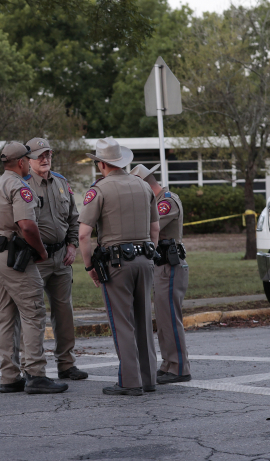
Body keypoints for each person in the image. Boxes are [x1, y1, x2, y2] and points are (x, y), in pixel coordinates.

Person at [0, 141, 69, 395]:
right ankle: (36, 374)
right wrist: (40, 251)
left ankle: (9, 376)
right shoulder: (21, 187)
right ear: (21, 162)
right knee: (33, 313)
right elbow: (27, 225)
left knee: (6, 316)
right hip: (15, 258)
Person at [78, 137, 160, 396]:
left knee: (123, 322)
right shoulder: (143, 185)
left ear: (102, 164)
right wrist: (150, 254)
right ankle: (149, 379)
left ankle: (129, 381)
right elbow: (155, 228)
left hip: (116, 264)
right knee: (144, 320)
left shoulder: (99, 190)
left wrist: (89, 265)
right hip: (145, 259)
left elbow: (83, 234)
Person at [15, 137, 88, 381]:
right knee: (33, 313)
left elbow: (74, 218)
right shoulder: (21, 185)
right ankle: (30, 367)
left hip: (61, 257)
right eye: (39, 155)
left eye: (48, 154)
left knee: (64, 312)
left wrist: (72, 245)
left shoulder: (61, 182)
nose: (45, 159)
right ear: (28, 160)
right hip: (35, 258)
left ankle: (66, 364)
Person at [130, 164, 191, 384]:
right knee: (164, 320)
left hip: (170, 265)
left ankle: (179, 367)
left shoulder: (166, 202)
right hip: (162, 265)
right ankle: (169, 365)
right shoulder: (156, 202)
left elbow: (148, 228)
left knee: (170, 319)